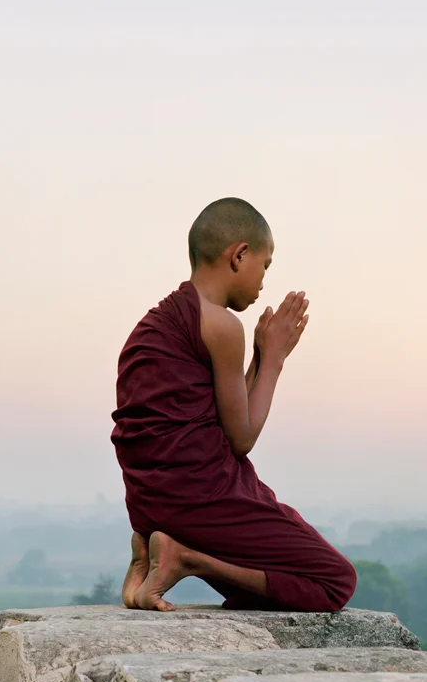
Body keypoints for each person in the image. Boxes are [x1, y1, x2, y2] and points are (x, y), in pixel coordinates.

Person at [110, 197, 357, 613]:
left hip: (149, 503)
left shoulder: (157, 321)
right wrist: (274, 361)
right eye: (266, 264)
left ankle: (154, 556)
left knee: (258, 591)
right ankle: (188, 557)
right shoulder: (221, 324)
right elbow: (240, 438)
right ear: (240, 255)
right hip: (199, 500)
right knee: (333, 582)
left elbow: (216, 420)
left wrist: (259, 356)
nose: (263, 281)